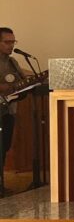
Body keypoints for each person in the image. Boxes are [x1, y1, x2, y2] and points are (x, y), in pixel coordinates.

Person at [0, 27, 26, 182]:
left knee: (5, 146)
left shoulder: (13, 61)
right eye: (7, 42)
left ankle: (1, 183)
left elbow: (22, 80)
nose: (11, 45)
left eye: (13, 42)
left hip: (9, 110)